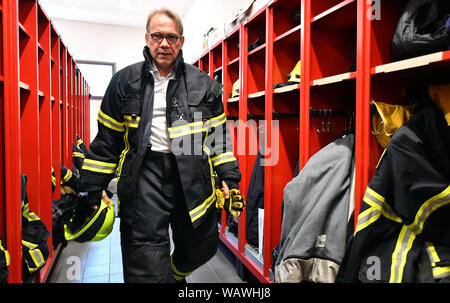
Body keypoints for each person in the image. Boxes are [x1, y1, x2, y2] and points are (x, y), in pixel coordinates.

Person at [79, 8, 244, 283]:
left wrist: (230, 177)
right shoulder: (123, 83)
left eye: (171, 37)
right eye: (157, 36)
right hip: (145, 176)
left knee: (201, 247)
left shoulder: (204, 85)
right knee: (145, 264)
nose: (164, 43)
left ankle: (173, 276)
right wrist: (93, 189)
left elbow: (218, 139)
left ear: (181, 41)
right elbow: (107, 142)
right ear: (147, 38)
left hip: (192, 176)